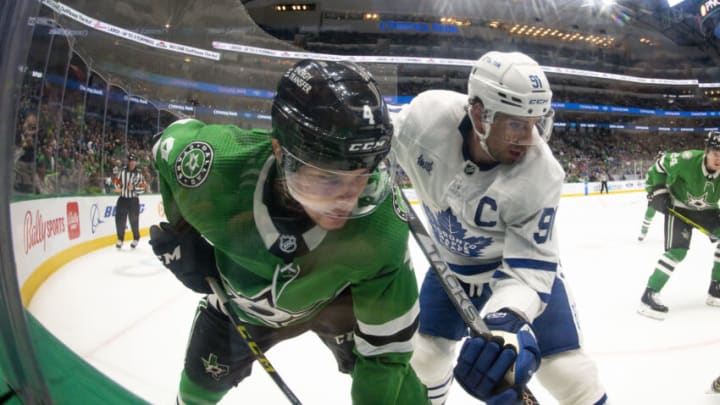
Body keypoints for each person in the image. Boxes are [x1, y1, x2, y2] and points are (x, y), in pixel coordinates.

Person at [148, 59, 427, 405]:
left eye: (364, 172)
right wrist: (183, 232)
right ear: (281, 153)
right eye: (329, 177)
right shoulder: (215, 165)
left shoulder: (382, 226)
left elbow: (387, 354)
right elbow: (166, 146)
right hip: (240, 307)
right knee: (193, 397)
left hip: (337, 304)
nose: (350, 197)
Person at [393, 51, 608, 405]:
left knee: (570, 374)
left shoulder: (542, 173)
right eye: (516, 124)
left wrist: (508, 319)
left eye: (536, 122)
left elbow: (529, 269)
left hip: (511, 274)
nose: (529, 138)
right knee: (424, 360)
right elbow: (377, 154)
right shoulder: (425, 117)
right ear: (479, 113)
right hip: (450, 272)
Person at [638, 131, 720, 320]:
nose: (719, 158)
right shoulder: (687, 159)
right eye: (716, 153)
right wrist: (657, 191)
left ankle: (716, 288)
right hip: (679, 208)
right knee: (677, 251)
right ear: (706, 151)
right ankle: (649, 293)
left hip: (708, 211)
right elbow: (658, 167)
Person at [113, 153, 144, 249]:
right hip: (123, 198)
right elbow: (116, 181)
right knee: (120, 220)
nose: (132, 163)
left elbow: (142, 188)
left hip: (133, 200)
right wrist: (117, 187)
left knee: (134, 220)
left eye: (133, 161)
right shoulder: (122, 171)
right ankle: (120, 239)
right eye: (130, 161)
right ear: (128, 162)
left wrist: (134, 188)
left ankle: (136, 238)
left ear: (135, 162)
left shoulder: (139, 173)